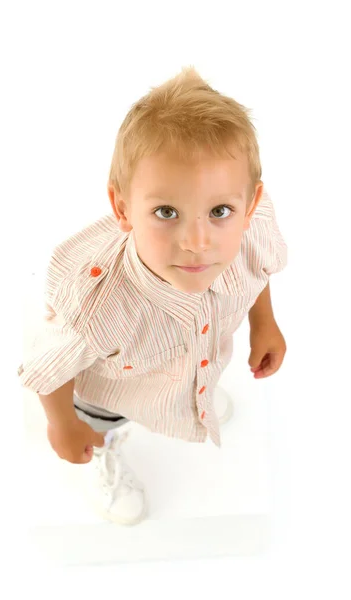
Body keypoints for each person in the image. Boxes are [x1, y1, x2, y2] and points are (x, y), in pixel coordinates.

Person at [18, 66, 288, 526]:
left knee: (198, 357)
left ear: (250, 204)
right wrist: (63, 423)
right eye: (167, 212)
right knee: (105, 423)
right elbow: (47, 368)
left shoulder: (250, 231)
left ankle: (188, 391)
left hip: (193, 350)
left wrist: (264, 321)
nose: (197, 242)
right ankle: (108, 454)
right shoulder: (100, 308)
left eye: (220, 211)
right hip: (110, 389)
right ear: (123, 208)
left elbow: (257, 271)